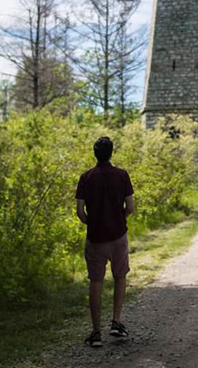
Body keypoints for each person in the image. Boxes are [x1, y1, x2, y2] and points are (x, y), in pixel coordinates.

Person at [75, 136, 135, 348]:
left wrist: (93, 222)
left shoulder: (86, 177)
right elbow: (130, 207)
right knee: (120, 277)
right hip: (118, 236)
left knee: (96, 282)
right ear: (111, 152)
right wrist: (119, 219)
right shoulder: (122, 175)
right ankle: (116, 322)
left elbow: (80, 212)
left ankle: (96, 332)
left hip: (96, 238)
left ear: (95, 153)